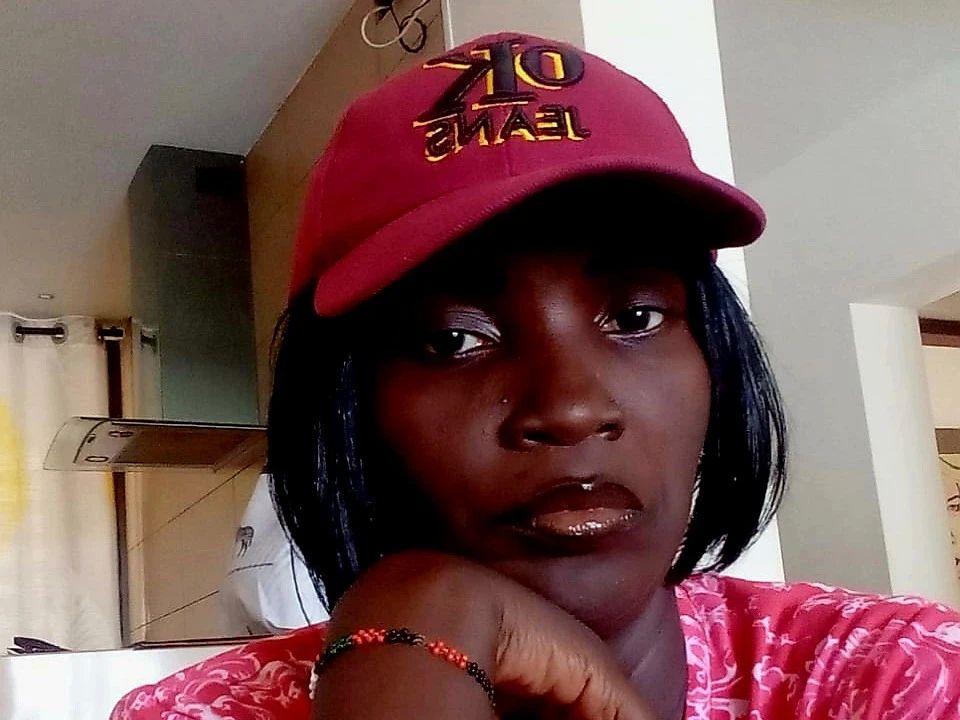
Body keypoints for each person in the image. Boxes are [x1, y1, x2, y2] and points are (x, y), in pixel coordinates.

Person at [111, 32, 960, 720]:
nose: (572, 407)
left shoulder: (900, 676)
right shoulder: (194, 714)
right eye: (454, 339)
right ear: (347, 406)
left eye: (636, 319)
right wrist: (407, 648)